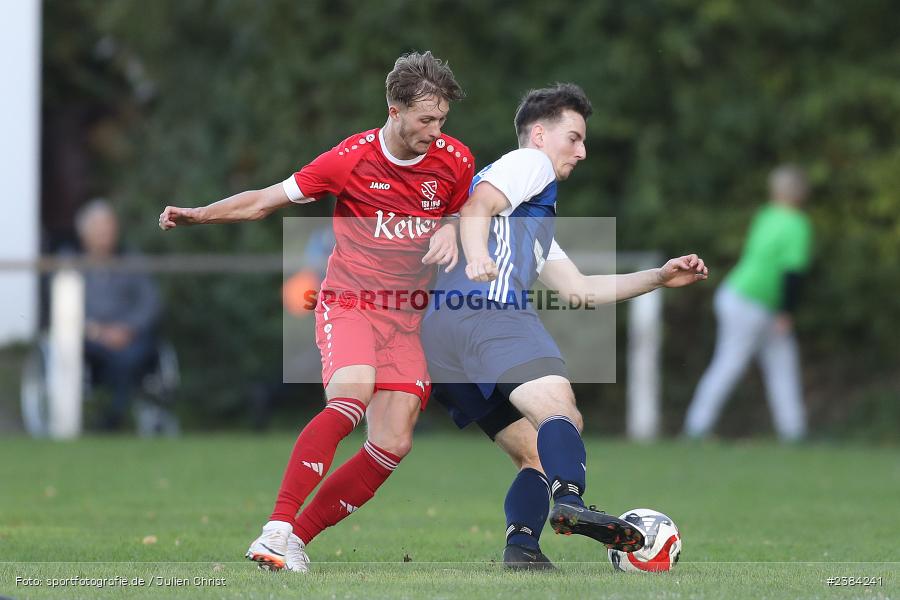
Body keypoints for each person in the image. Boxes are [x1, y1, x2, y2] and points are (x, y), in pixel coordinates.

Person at [159, 51, 475, 572]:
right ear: (394, 110)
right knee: (351, 396)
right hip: (349, 301)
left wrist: (452, 228)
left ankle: (295, 542)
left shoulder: (454, 159)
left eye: (442, 119)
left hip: (406, 317)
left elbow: (471, 209)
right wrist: (201, 214)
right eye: (425, 120)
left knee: (394, 441)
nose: (435, 131)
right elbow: (265, 200)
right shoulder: (349, 159)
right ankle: (276, 527)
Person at [421, 83, 709, 569]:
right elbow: (476, 207)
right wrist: (476, 258)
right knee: (562, 413)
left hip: (441, 336)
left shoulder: (528, 211)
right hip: (488, 308)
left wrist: (658, 277)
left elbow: (579, 289)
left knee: (535, 454)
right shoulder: (529, 164)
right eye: (573, 138)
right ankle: (571, 502)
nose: (582, 151)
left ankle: (522, 549)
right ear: (539, 134)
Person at [684, 165, 812, 442]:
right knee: (732, 362)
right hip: (752, 301)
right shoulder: (797, 224)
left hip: (740, 295)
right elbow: (792, 273)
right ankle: (697, 427)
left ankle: (794, 431)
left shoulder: (766, 214)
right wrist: (786, 311)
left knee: (781, 361)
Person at [77, 199, 162, 431]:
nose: (106, 233)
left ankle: (114, 415)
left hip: (131, 338)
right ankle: (113, 413)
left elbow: (150, 302)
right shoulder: (73, 266)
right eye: (99, 228)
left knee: (132, 357)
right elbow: (66, 308)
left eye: (109, 226)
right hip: (91, 341)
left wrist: (127, 329)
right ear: (85, 234)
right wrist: (97, 332)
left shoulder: (132, 261)